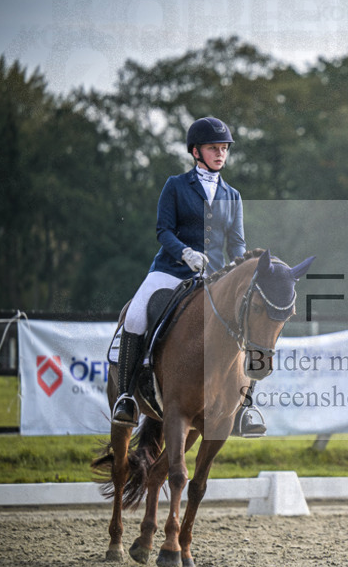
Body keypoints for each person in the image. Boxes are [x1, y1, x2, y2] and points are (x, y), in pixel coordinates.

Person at [111, 116, 266, 436]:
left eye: (224, 148)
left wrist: (237, 274)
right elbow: (163, 230)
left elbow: (237, 243)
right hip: (171, 270)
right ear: (196, 152)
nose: (220, 154)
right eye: (213, 148)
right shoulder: (176, 186)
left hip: (217, 277)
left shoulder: (232, 195)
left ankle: (245, 407)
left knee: (249, 321)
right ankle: (126, 397)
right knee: (136, 316)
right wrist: (185, 253)